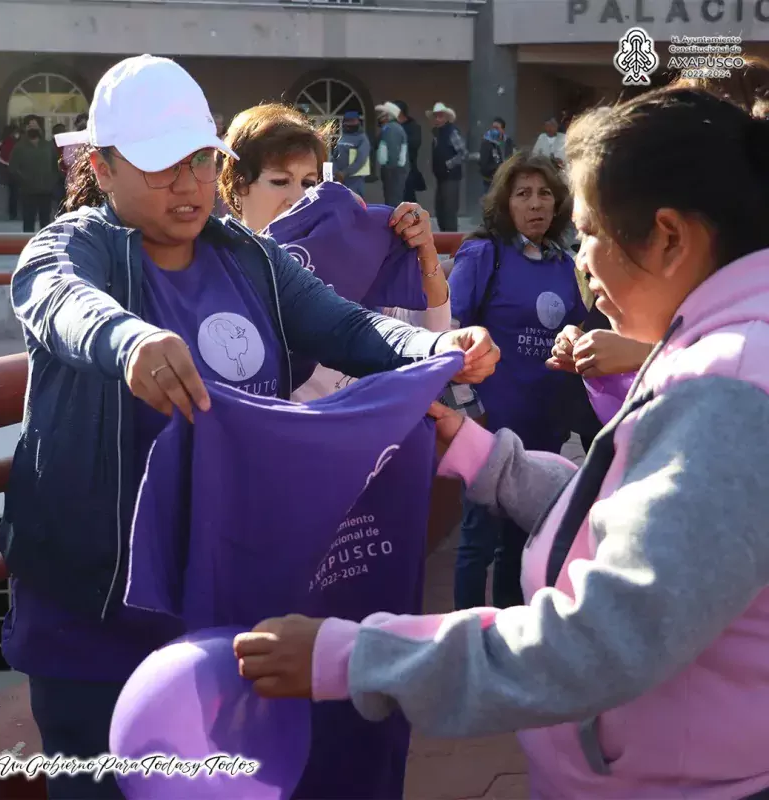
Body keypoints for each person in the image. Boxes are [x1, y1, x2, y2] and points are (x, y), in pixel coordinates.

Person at [236, 84, 769, 799]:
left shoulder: (729, 383)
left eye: (591, 235)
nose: (582, 264)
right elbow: (624, 517)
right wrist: (478, 451)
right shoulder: (717, 350)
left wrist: (354, 655)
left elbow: (597, 640)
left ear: (669, 237)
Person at [0, 55, 498, 800]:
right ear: (101, 168)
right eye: (164, 165)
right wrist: (129, 341)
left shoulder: (249, 258)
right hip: (92, 618)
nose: (191, 183)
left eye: (203, 161)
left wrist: (436, 347)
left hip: (224, 599)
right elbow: (58, 300)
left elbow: (345, 326)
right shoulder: (74, 246)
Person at [217, 102, 452, 400]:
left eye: (309, 183)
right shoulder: (217, 268)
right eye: (280, 182)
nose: (298, 198)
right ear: (238, 186)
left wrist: (425, 254)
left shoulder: (354, 251)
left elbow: (427, 337)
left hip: (361, 436)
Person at [447, 151, 586, 610]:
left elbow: (583, 329)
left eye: (545, 193)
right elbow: (450, 332)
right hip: (491, 423)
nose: (535, 204)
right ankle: (464, 637)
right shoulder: (484, 253)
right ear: (506, 203)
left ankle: (509, 633)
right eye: (523, 193)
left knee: (523, 539)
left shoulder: (565, 264)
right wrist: (470, 414)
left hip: (545, 424)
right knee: (477, 542)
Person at [9, 115, 60, 232]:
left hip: (46, 191)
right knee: (28, 222)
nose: (33, 128)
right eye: (30, 126)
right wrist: (24, 181)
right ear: (26, 128)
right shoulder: (19, 147)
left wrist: (51, 182)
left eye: (35, 125)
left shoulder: (48, 146)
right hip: (27, 192)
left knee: (46, 222)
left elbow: (55, 166)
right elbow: (13, 168)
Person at [427, 102, 466, 232]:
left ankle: (452, 242)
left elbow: (463, 153)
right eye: (436, 116)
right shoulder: (437, 134)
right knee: (440, 210)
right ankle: (445, 237)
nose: (438, 119)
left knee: (449, 211)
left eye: (440, 116)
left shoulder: (452, 132)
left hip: (451, 177)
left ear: (446, 118)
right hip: (441, 177)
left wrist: (449, 164)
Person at [374, 101, 408, 208]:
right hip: (395, 171)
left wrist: (389, 170)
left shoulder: (391, 129)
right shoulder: (393, 128)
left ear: (387, 115)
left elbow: (393, 153)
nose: (378, 116)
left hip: (393, 172)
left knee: (393, 201)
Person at [332, 110, 371, 198]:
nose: (350, 123)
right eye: (347, 121)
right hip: (339, 179)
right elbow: (334, 156)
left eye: (353, 121)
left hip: (354, 180)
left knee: (354, 203)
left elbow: (361, 160)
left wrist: (344, 173)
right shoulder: (343, 137)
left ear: (358, 122)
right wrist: (335, 172)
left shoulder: (362, 139)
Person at [395, 100, 425, 204]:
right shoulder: (392, 127)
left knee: (408, 198)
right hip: (395, 169)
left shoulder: (413, 127)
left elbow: (414, 144)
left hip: (408, 167)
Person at [479, 117, 514, 193]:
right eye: (493, 128)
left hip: (505, 180)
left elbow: (511, 157)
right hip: (490, 181)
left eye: (497, 128)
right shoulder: (486, 142)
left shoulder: (508, 141)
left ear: (502, 130)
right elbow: (483, 164)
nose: (494, 130)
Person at [0, 124, 20, 221]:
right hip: (15, 171)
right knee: (15, 194)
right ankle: (14, 214)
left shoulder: (3, 142)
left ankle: (13, 213)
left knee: (13, 194)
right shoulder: (10, 142)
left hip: (9, 171)